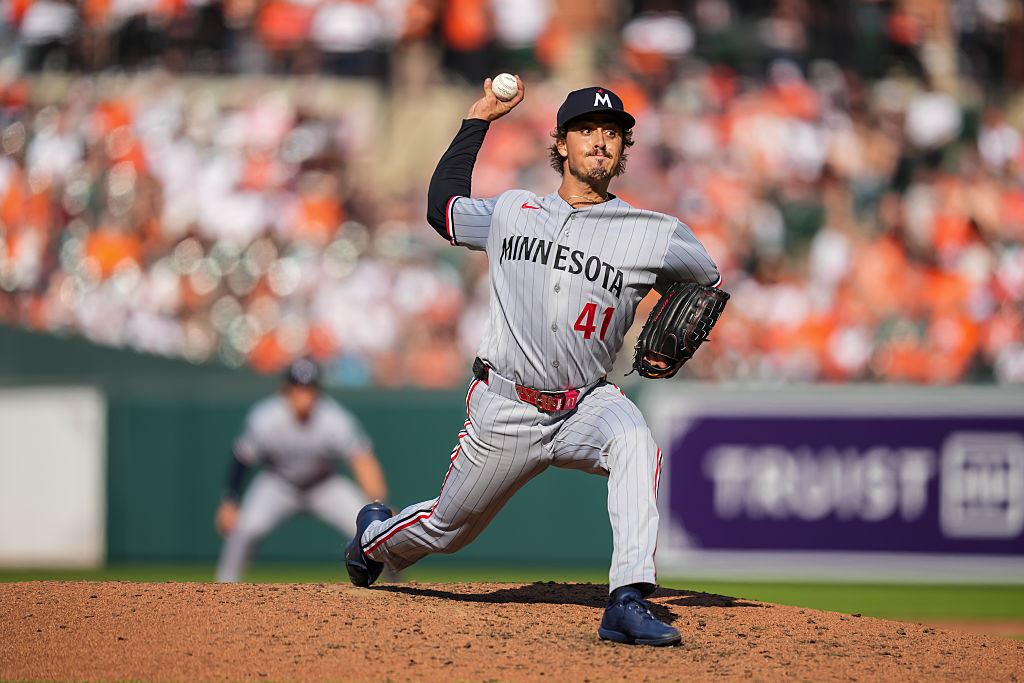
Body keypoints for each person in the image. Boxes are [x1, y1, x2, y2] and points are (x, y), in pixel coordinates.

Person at [344, 78, 721, 646]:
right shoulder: (515, 209)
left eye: (612, 133)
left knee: (634, 440)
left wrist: (669, 315)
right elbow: (441, 210)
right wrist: (477, 120)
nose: (600, 141)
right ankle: (375, 536)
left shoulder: (656, 234)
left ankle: (627, 597)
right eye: (587, 130)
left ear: (623, 149)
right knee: (448, 529)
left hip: (586, 404)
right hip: (507, 406)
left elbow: (706, 282)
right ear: (562, 144)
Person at [215, 358, 389, 582]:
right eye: (297, 388)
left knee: (378, 529)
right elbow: (242, 457)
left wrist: (379, 503)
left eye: (309, 389)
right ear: (285, 390)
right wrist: (230, 500)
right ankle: (221, 590)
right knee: (245, 529)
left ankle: (398, 590)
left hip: (324, 485)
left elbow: (363, 460)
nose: (304, 395)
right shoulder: (266, 417)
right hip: (278, 483)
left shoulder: (334, 419)